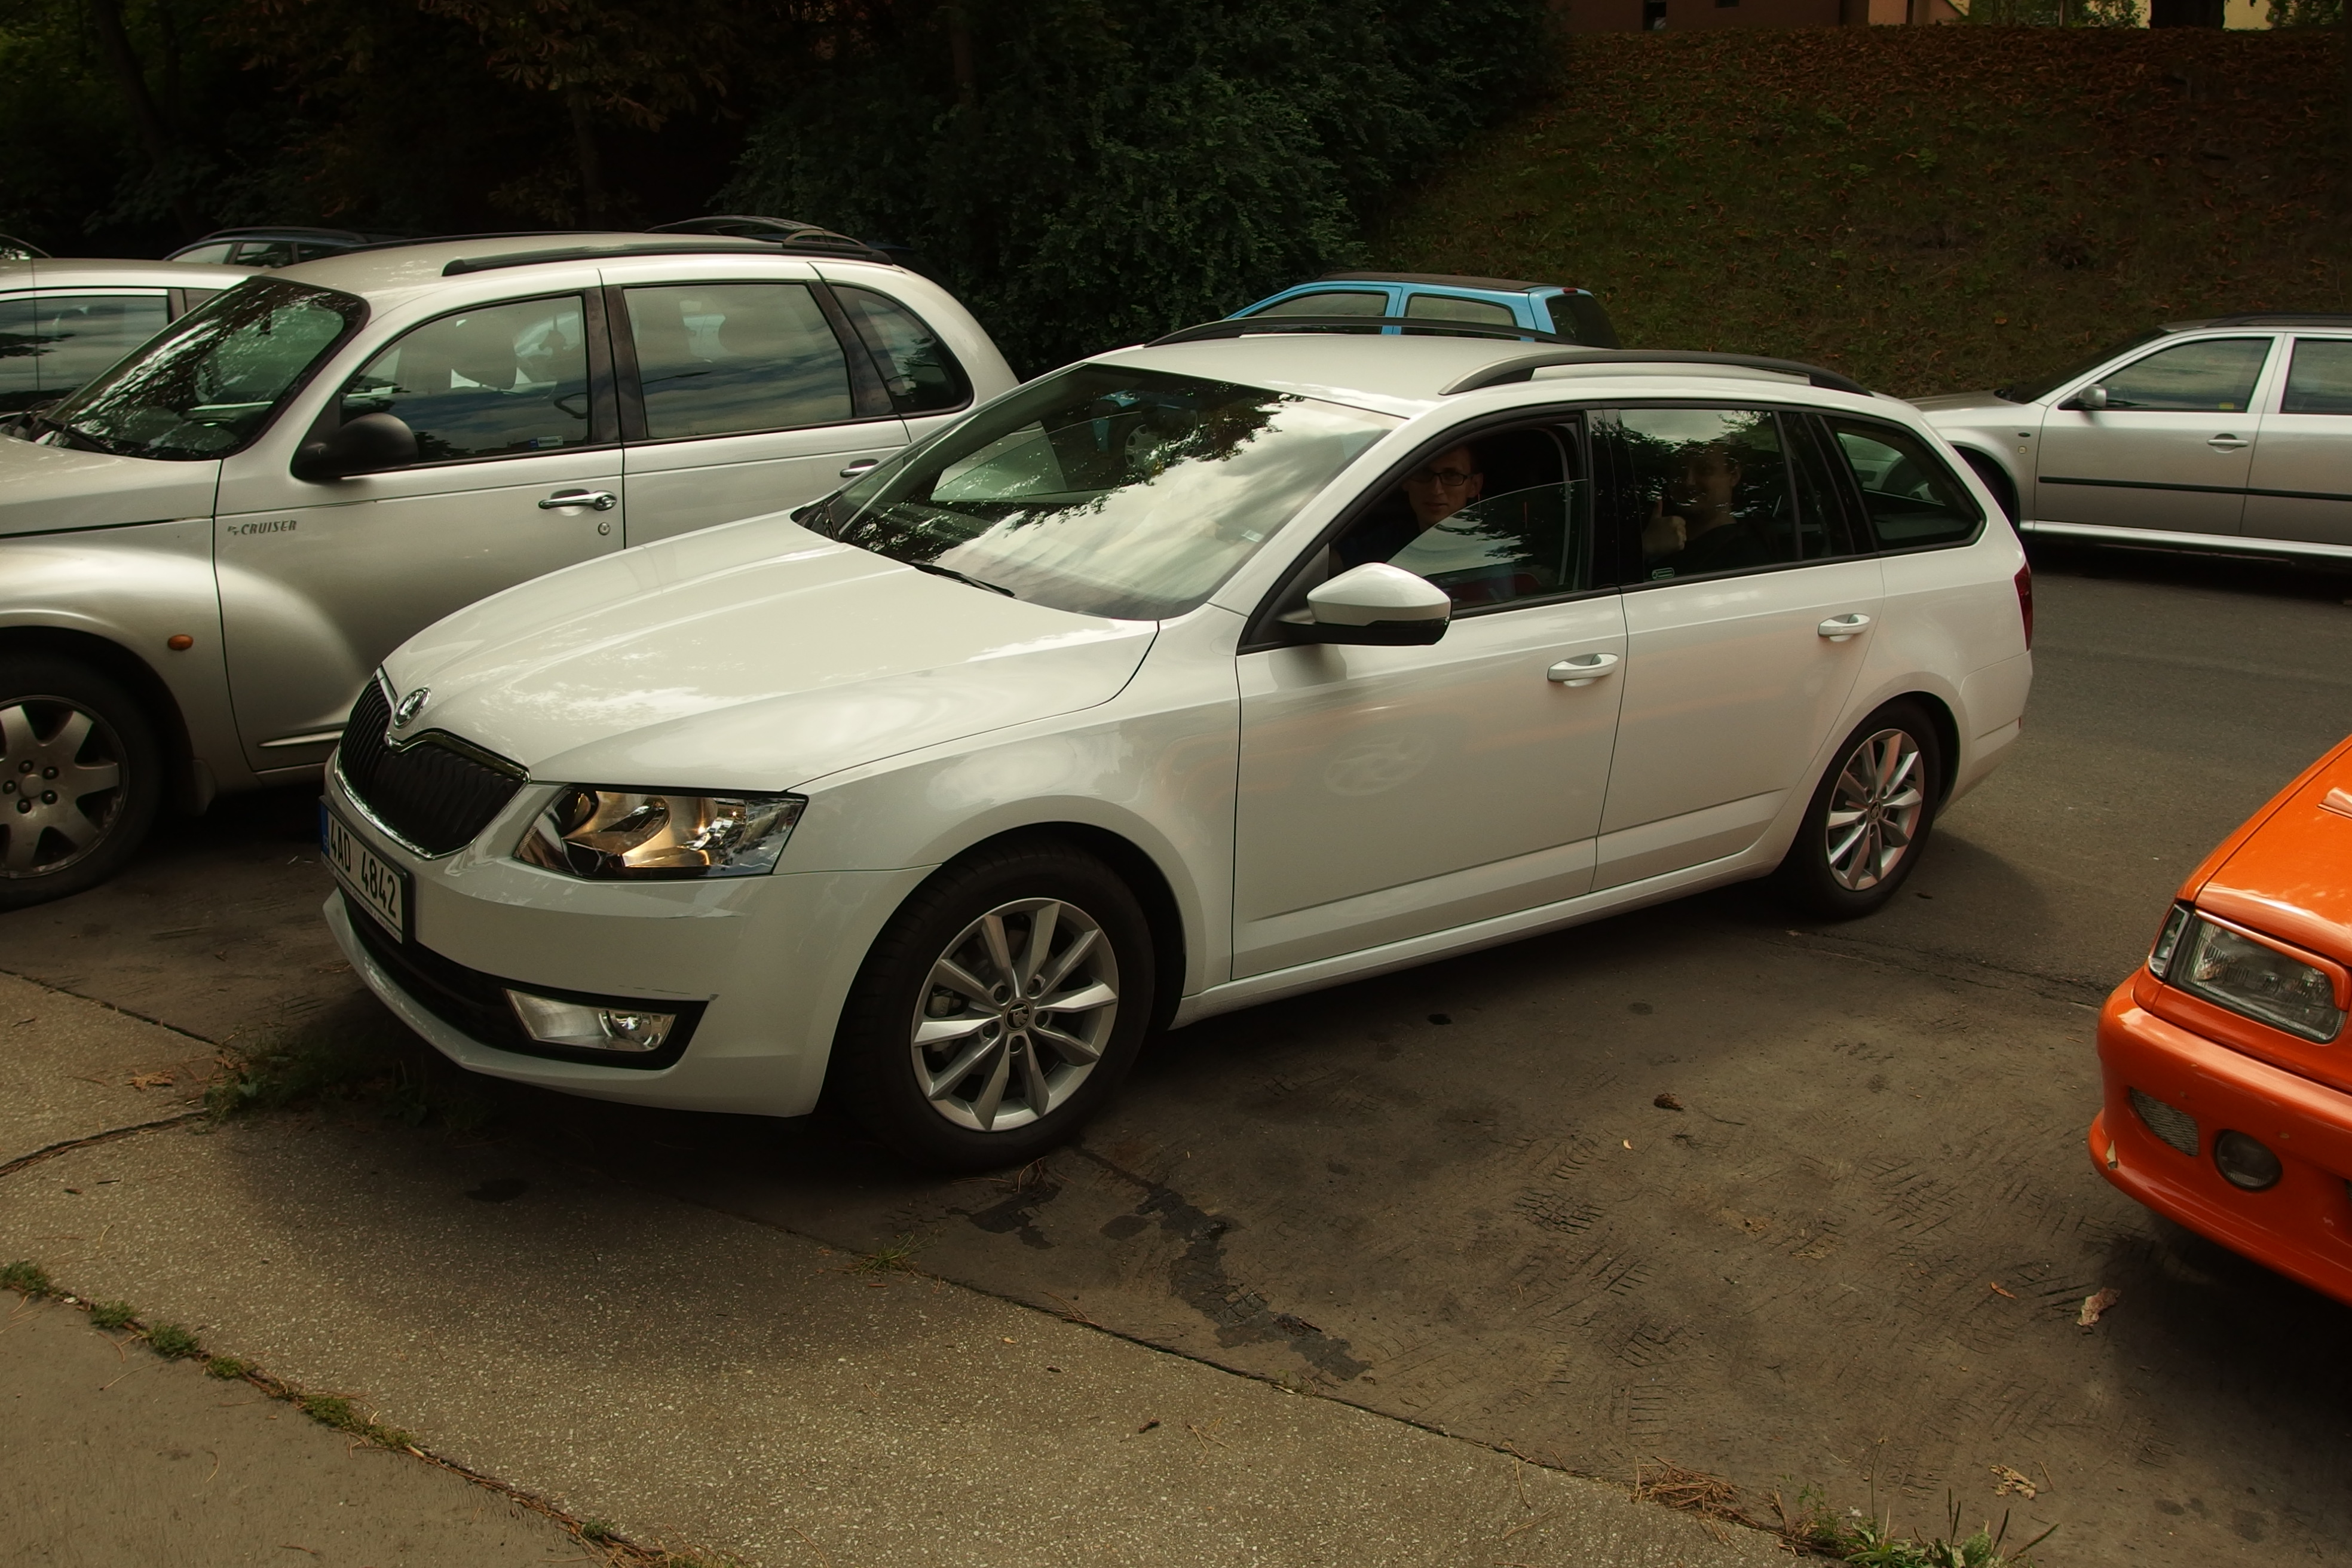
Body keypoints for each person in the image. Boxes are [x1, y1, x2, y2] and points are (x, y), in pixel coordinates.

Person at [1335, 444, 1484, 568]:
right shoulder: (1390, 541)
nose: (1435, 490)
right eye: (1424, 473)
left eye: (1452, 475)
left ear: (1474, 486)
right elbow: (1324, 565)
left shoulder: (1489, 548)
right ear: (1405, 481)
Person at [1640, 440, 1771, 577]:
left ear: (1734, 475)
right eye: (1681, 470)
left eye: (1705, 470)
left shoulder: (1744, 558)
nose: (1688, 481)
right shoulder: (1648, 527)